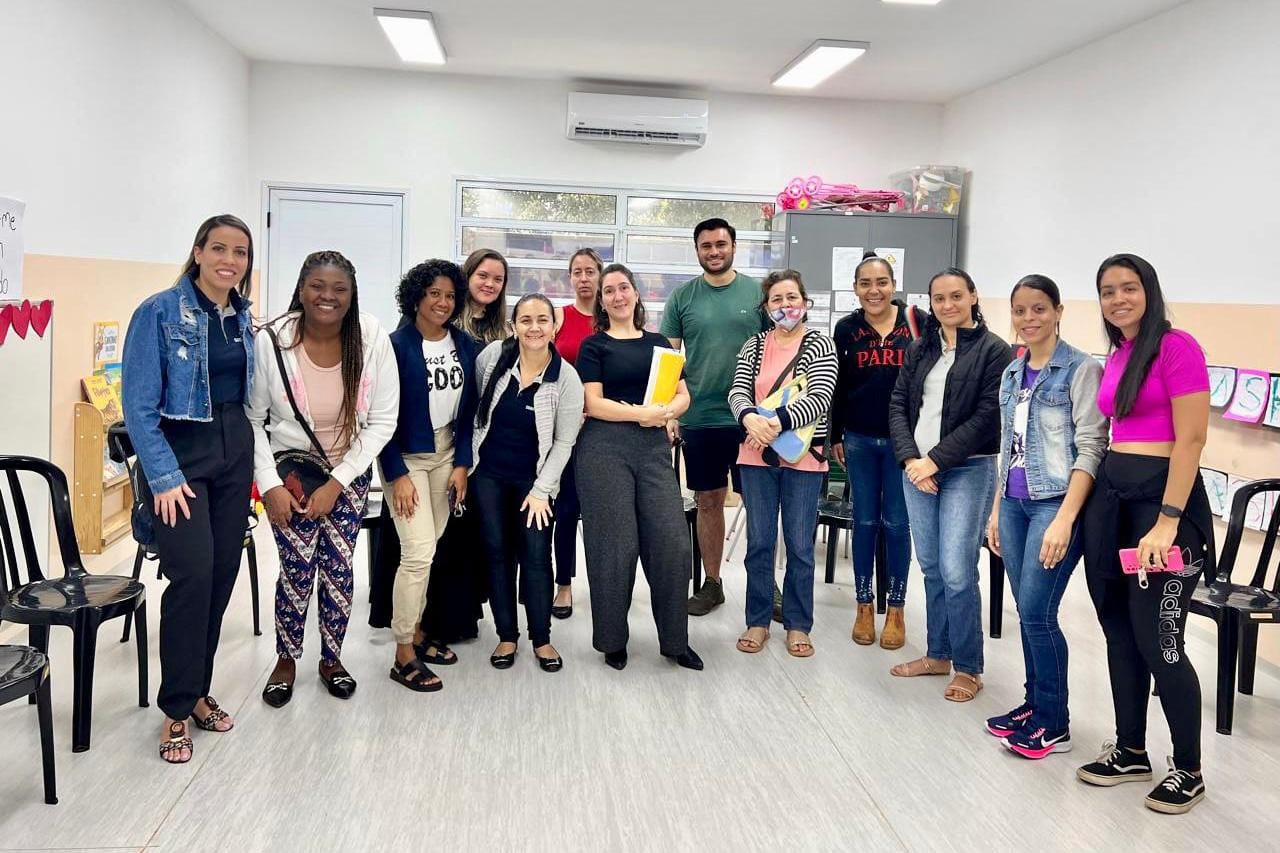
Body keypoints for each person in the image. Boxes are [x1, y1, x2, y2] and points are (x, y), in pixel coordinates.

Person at [1075, 253, 1212, 815]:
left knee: (1161, 640)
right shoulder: (1120, 352)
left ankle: (1189, 769)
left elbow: (1192, 440)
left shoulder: (1177, 347)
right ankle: (1131, 750)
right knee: (1117, 630)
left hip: (1162, 507)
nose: (1118, 299)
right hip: (1113, 499)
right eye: (1107, 291)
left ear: (1149, 292)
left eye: (1128, 288)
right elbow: (1111, 428)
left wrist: (1168, 520)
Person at [121, 214, 256, 763]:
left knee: (222, 574)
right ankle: (176, 708)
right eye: (219, 248)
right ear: (198, 252)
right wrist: (163, 475)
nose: (230, 260)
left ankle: (200, 691)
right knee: (191, 577)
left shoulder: (243, 317)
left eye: (241, 252)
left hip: (234, 453)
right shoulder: (157, 312)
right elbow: (137, 407)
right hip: (181, 456)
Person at [248, 251, 398, 707]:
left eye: (339, 289)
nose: (327, 296)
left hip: (348, 469)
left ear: (352, 296)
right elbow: (253, 418)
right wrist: (269, 484)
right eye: (317, 285)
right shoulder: (272, 341)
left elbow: (383, 420)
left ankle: (331, 658)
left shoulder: (371, 338)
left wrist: (338, 483)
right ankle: (286, 658)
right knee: (295, 569)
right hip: (290, 472)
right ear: (301, 288)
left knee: (337, 569)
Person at [983, 275, 1107, 758]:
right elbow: (1005, 448)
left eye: (1038, 309)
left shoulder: (1080, 369)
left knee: (1038, 612)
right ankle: (1034, 706)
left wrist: (1065, 519)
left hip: (1055, 505)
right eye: (1019, 310)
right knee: (1028, 612)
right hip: (1013, 505)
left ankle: (1054, 722)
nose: (1028, 319)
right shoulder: (1013, 373)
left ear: (1058, 311)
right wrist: (995, 511)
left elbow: (1092, 447)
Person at [887, 268, 1012, 702]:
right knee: (932, 567)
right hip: (916, 471)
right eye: (939, 298)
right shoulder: (921, 347)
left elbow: (986, 419)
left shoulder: (995, 351)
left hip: (967, 470)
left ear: (973, 296)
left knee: (958, 572)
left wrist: (934, 462)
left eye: (956, 296)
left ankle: (969, 667)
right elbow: (900, 403)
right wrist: (910, 460)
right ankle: (938, 654)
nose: (947, 305)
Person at [576, 263, 703, 671]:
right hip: (603, 449)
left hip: (651, 450)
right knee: (615, 546)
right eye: (608, 290)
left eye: (623, 288)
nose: (617, 295)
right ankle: (613, 640)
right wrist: (644, 416)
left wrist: (667, 412)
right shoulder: (594, 346)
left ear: (635, 294)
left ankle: (675, 641)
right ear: (601, 300)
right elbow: (592, 403)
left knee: (672, 543)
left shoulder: (659, 342)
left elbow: (683, 395)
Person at [378, 259, 478, 692]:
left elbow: (472, 412)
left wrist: (461, 464)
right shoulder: (394, 346)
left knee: (431, 547)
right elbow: (378, 417)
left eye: (450, 295)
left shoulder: (466, 345)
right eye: (434, 293)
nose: (442, 302)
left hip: (447, 455)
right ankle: (403, 652)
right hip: (406, 458)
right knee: (417, 552)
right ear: (416, 296)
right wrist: (395, 472)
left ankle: (417, 631)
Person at [472, 294, 583, 672]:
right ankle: (506, 635)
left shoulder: (566, 377)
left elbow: (565, 441)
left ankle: (542, 638)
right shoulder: (491, 359)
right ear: (513, 326)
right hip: (487, 476)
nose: (534, 328)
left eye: (542, 320)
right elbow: (475, 413)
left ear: (555, 326)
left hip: (535, 483)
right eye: (525, 320)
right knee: (496, 553)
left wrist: (541, 491)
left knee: (536, 556)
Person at [728, 270, 837, 657]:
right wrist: (748, 419)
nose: (785, 305)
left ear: (805, 303)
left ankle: (797, 623)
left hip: (803, 458)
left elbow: (821, 394)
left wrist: (774, 423)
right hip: (754, 455)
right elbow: (737, 391)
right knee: (759, 543)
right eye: (776, 299)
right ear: (766, 306)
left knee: (799, 545)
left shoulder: (820, 344)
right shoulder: (754, 344)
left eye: (792, 297)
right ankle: (757, 621)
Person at [661, 218, 765, 616]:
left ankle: (763, 586)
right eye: (706, 246)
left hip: (751, 420)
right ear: (697, 250)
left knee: (758, 503)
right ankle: (712, 583)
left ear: (734, 246)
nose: (714, 251)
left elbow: (777, 352)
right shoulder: (683, 297)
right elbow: (670, 361)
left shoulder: (757, 294)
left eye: (721, 244)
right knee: (708, 501)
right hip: (700, 417)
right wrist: (670, 412)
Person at [414, 248, 513, 648]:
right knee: (437, 536)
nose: (489, 284)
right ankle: (427, 621)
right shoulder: (442, 320)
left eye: (498, 279)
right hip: (438, 443)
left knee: (467, 536)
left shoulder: (503, 331)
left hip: (480, 448)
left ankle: (461, 616)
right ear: (466, 276)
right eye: (482, 276)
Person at [830, 252, 926, 649]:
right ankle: (865, 605)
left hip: (906, 444)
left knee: (897, 524)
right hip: (859, 439)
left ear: (894, 285)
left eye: (882, 282)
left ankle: (898, 608)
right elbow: (834, 384)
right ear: (855, 289)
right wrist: (834, 434)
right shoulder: (846, 329)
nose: (874, 290)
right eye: (866, 284)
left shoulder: (917, 323)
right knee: (866, 522)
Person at [549, 248, 602, 619]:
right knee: (566, 509)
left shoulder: (612, 318)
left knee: (602, 512)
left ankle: (607, 584)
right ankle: (563, 585)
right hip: (565, 426)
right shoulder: (558, 317)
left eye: (590, 272)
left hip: (603, 428)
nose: (584, 278)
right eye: (577, 272)